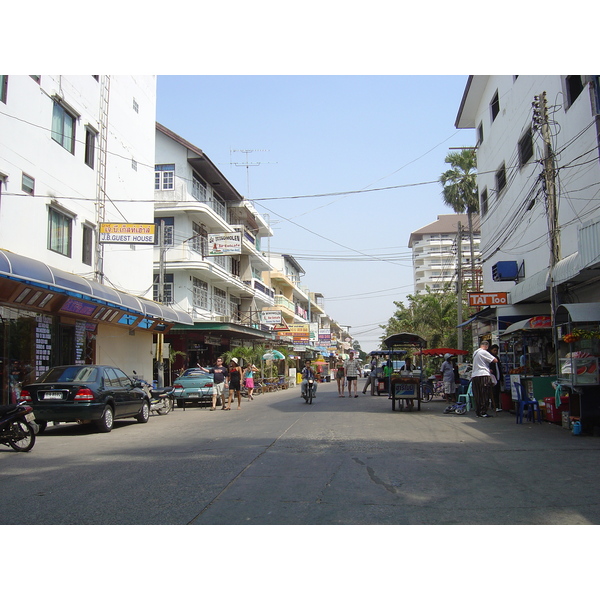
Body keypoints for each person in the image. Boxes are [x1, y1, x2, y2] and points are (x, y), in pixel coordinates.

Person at [471, 340, 498, 418]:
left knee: (477, 394)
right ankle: (483, 412)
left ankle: (478, 412)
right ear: (486, 346)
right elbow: (495, 360)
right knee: (484, 393)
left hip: (475, 375)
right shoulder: (483, 352)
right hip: (483, 375)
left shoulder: (475, 353)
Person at [489, 344, 503, 412]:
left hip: (498, 377)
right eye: (494, 350)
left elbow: (500, 369)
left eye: (496, 350)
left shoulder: (497, 358)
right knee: (493, 392)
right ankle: (494, 406)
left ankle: (497, 405)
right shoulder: (489, 359)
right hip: (492, 378)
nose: (495, 352)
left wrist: (501, 378)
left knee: (497, 392)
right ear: (491, 350)